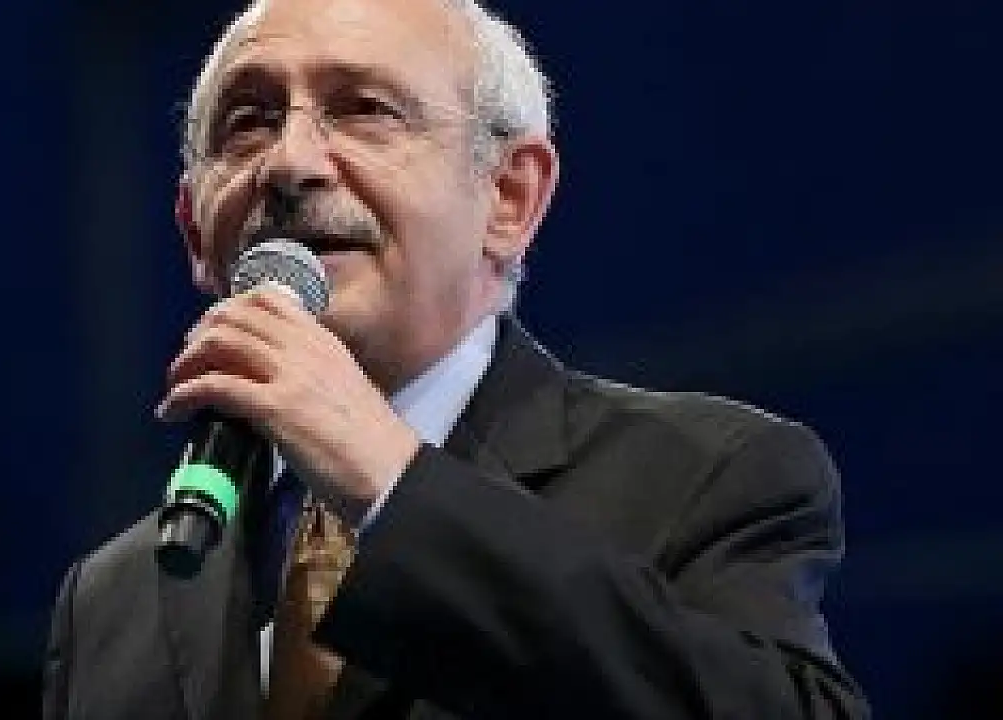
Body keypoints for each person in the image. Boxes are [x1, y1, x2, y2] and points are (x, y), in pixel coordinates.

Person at [42, 0, 870, 717]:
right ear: (195, 229)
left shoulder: (705, 479)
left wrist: (390, 484)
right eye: (249, 120)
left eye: (364, 110)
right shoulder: (114, 599)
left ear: (508, 198)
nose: (289, 161)